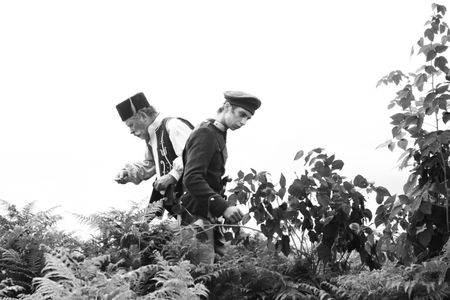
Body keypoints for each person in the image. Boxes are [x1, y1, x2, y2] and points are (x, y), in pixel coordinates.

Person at [180, 90, 261, 263]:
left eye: (248, 118)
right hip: (195, 217)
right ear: (226, 107)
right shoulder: (206, 133)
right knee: (199, 277)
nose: (244, 122)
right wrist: (223, 207)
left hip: (207, 216)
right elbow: (192, 178)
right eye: (242, 115)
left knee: (217, 276)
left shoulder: (218, 134)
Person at [115, 92, 193, 217]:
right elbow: (151, 164)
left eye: (131, 125)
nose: (130, 131)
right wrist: (128, 173)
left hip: (197, 202)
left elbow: (192, 155)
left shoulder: (173, 125)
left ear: (143, 116)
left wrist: (172, 176)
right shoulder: (152, 136)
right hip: (180, 207)